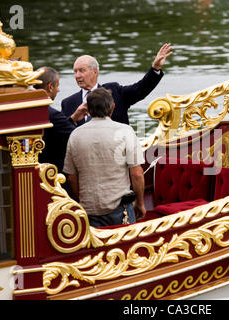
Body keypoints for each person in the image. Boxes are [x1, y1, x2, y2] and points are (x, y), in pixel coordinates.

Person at [63, 87, 146, 227]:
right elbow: (136, 174)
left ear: (87, 110)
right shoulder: (125, 131)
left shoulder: (75, 135)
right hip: (120, 209)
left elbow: (71, 177)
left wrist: (84, 200)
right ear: (112, 108)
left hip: (88, 210)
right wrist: (140, 203)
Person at [61, 43, 173, 126]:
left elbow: (141, 89)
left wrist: (155, 68)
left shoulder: (114, 91)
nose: (77, 75)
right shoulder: (68, 103)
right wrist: (73, 118)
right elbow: (61, 134)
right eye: (75, 71)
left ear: (95, 71)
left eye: (81, 70)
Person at [33, 66, 88, 175]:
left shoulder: (33, 108)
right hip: (55, 174)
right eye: (57, 85)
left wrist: (73, 119)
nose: (59, 90)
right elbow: (78, 138)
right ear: (50, 87)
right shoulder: (52, 114)